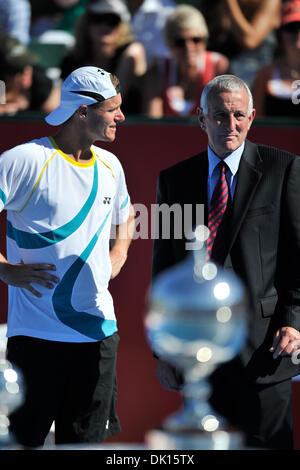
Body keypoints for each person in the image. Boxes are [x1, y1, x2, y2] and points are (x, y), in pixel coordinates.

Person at [152, 74, 300, 449]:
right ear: (201, 119)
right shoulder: (174, 180)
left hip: (267, 350)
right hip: (201, 356)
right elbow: (166, 267)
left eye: (237, 115)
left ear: (251, 117)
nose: (229, 125)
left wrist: (294, 323)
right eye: (219, 116)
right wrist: (167, 352)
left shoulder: (284, 169)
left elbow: (298, 256)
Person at [0, 66, 134, 447]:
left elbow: (127, 218)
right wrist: (4, 269)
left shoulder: (112, 166)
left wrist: (118, 253)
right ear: (81, 111)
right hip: (35, 340)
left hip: (98, 337)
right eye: (112, 109)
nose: (121, 117)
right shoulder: (24, 160)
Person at [60, 0, 147, 114]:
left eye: (112, 21)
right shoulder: (72, 60)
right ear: (87, 24)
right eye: (97, 20)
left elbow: (113, 103)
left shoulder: (130, 53)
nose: (104, 26)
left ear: (121, 27)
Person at [143, 4, 228, 118]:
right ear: (170, 44)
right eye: (180, 42)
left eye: (196, 40)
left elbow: (225, 122)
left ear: (204, 40)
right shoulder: (158, 71)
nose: (189, 47)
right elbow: (152, 125)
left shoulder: (219, 67)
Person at [198, 0, 281, 87]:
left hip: (255, 85)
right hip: (219, 82)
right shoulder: (215, 4)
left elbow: (249, 41)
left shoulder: (270, 2)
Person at [252, 0, 300, 118]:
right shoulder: (265, 74)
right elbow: (255, 123)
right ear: (280, 34)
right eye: (291, 27)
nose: (298, 34)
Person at [0, 34, 61, 116]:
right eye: (16, 70)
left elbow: (57, 113)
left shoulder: (40, 83)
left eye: (27, 64)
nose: (26, 71)